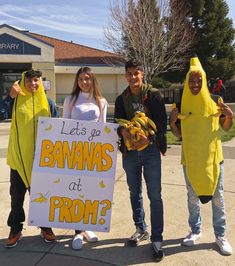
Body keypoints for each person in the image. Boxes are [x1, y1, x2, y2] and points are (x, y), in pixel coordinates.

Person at [169, 57, 233, 256]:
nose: (195, 84)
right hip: (191, 159)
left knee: (218, 198)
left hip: (213, 159)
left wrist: (229, 116)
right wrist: (172, 123)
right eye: (192, 80)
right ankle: (195, 231)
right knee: (192, 197)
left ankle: (221, 236)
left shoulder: (215, 101)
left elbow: (225, 128)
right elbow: (179, 134)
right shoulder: (180, 103)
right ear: (187, 81)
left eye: (198, 80)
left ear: (204, 80)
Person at [114, 59, 167, 262]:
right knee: (134, 192)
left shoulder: (153, 95)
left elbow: (162, 127)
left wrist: (149, 138)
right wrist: (123, 131)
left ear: (142, 74)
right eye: (129, 74)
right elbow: (116, 124)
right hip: (130, 153)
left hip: (151, 151)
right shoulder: (121, 99)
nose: (133, 77)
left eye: (136, 73)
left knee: (155, 195)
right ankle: (140, 228)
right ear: (126, 75)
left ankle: (157, 239)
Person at [1, 69, 58, 248]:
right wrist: (10, 97)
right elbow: (1, 114)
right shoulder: (16, 99)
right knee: (16, 198)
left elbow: (57, 126)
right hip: (18, 159)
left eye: (36, 81)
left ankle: (45, 227)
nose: (33, 84)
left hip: (41, 161)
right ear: (23, 81)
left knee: (41, 196)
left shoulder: (48, 103)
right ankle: (15, 229)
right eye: (30, 80)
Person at [63, 66, 107, 250]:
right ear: (77, 81)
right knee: (75, 192)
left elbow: (103, 127)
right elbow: (64, 126)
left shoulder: (101, 101)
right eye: (81, 79)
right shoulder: (70, 100)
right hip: (74, 153)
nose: (84, 82)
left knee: (90, 192)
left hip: (93, 154)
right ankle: (77, 232)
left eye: (87, 78)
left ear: (93, 80)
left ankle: (88, 227)